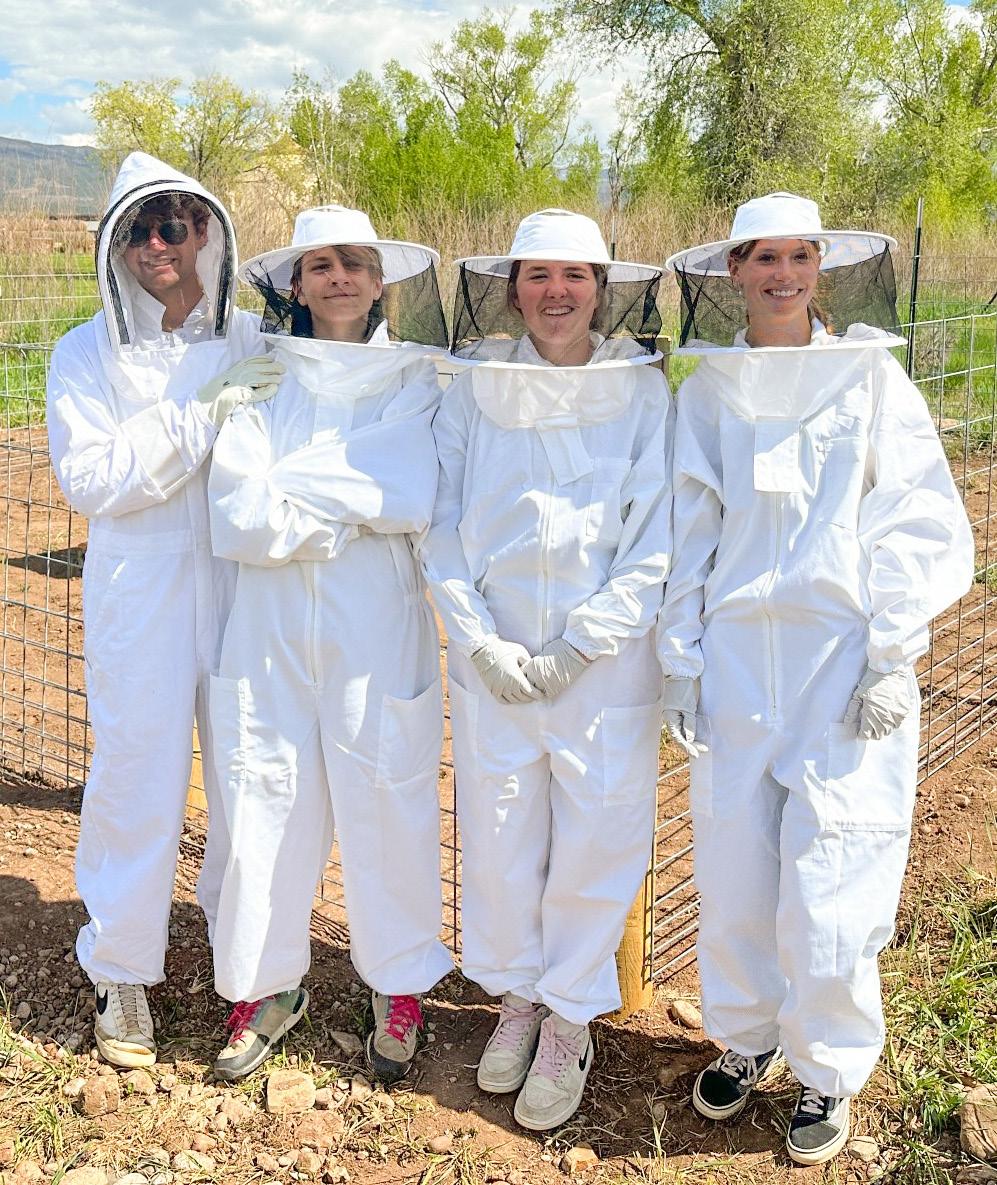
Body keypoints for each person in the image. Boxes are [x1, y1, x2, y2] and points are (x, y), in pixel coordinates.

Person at [658, 192, 974, 1164]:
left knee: (834, 874)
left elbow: (916, 515)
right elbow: (689, 527)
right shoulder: (708, 392)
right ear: (733, 271)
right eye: (764, 258)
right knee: (735, 869)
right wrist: (679, 657)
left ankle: (827, 1065)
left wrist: (891, 650)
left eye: (799, 256)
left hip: (841, 661)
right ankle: (748, 1036)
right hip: (735, 659)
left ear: (820, 268)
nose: (783, 274)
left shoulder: (870, 378)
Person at [422, 209, 673, 1130]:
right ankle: (516, 997)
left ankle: (570, 1014)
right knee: (499, 837)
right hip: (494, 659)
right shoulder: (474, 385)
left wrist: (585, 640)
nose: (555, 292)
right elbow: (439, 517)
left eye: (574, 275)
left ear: (600, 289)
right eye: (538, 275)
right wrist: (477, 637)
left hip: (603, 666)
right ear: (512, 287)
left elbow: (656, 534)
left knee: (598, 837)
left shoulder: (641, 389)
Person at [206, 205, 453, 1083]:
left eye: (354, 262)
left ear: (380, 280)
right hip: (267, 626)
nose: (339, 276)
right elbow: (238, 513)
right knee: (262, 800)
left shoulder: (413, 377)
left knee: (388, 801)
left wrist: (290, 487)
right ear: (298, 284)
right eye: (321, 265)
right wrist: (347, 512)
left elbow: (410, 491)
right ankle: (265, 985)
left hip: (376, 626)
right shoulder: (263, 376)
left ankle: (398, 983)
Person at [45, 152, 278, 1067]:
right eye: (139, 230)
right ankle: (122, 969)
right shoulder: (83, 352)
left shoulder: (253, 337)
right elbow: (93, 477)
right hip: (138, 590)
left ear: (204, 231)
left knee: (247, 774)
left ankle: (250, 967)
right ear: (115, 244)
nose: (157, 245)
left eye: (173, 224)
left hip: (242, 580)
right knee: (137, 774)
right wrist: (201, 416)